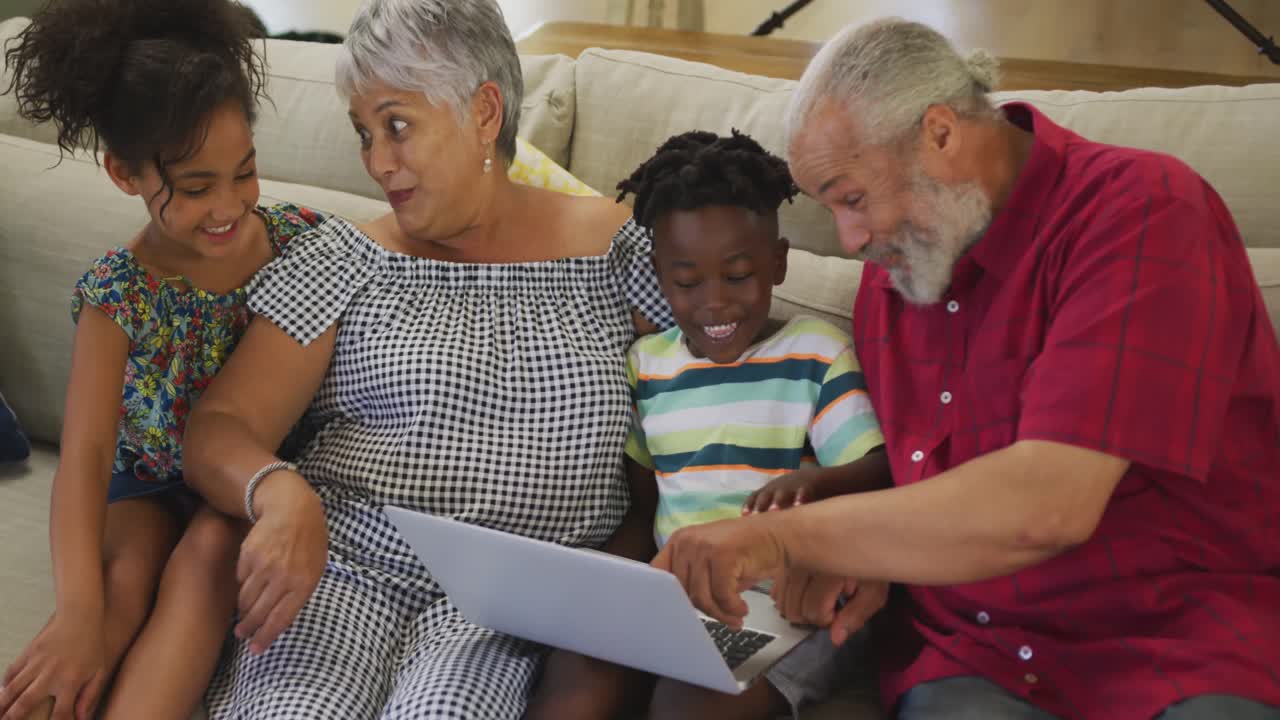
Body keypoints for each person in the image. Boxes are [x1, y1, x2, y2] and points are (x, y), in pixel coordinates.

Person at [652, 18, 1280, 720]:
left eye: (852, 198)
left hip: (1174, 645)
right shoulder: (898, 276)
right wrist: (866, 556)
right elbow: (920, 489)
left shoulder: (1143, 209)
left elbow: (1047, 505)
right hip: (973, 658)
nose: (852, 239)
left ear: (942, 134)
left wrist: (778, 538)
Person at [178, 0, 674, 717]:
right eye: (363, 134)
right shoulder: (345, 260)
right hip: (340, 575)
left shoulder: (623, 256)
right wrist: (277, 491)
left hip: (511, 611)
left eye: (397, 125)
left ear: (484, 111)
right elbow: (219, 426)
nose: (378, 161)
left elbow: (728, 394)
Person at [0, 1, 326, 719]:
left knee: (204, 567)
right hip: (146, 485)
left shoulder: (302, 244)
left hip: (247, 485)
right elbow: (83, 458)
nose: (229, 208)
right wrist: (79, 612)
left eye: (244, 173)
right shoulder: (117, 294)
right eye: (197, 187)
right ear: (123, 173)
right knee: (114, 592)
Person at [531, 129, 892, 719]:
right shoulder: (648, 366)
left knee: (687, 703)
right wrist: (599, 587)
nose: (716, 304)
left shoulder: (814, 354)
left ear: (777, 262)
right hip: (677, 599)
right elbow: (646, 508)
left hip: (786, 602)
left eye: (738, 275)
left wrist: (813, 486)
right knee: (576, 675)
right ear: (659, 275)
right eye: (689, 283)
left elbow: (878, 473)